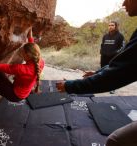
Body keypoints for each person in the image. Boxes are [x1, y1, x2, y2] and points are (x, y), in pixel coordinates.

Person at [56, 0, 137, 145]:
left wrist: (70, 86)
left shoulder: (120, 36)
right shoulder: (107, 36)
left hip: (112, 65)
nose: (123, 4)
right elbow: (122, 63)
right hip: (107, 61)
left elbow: (119, 72)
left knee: (115, 141)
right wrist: (98, 72)